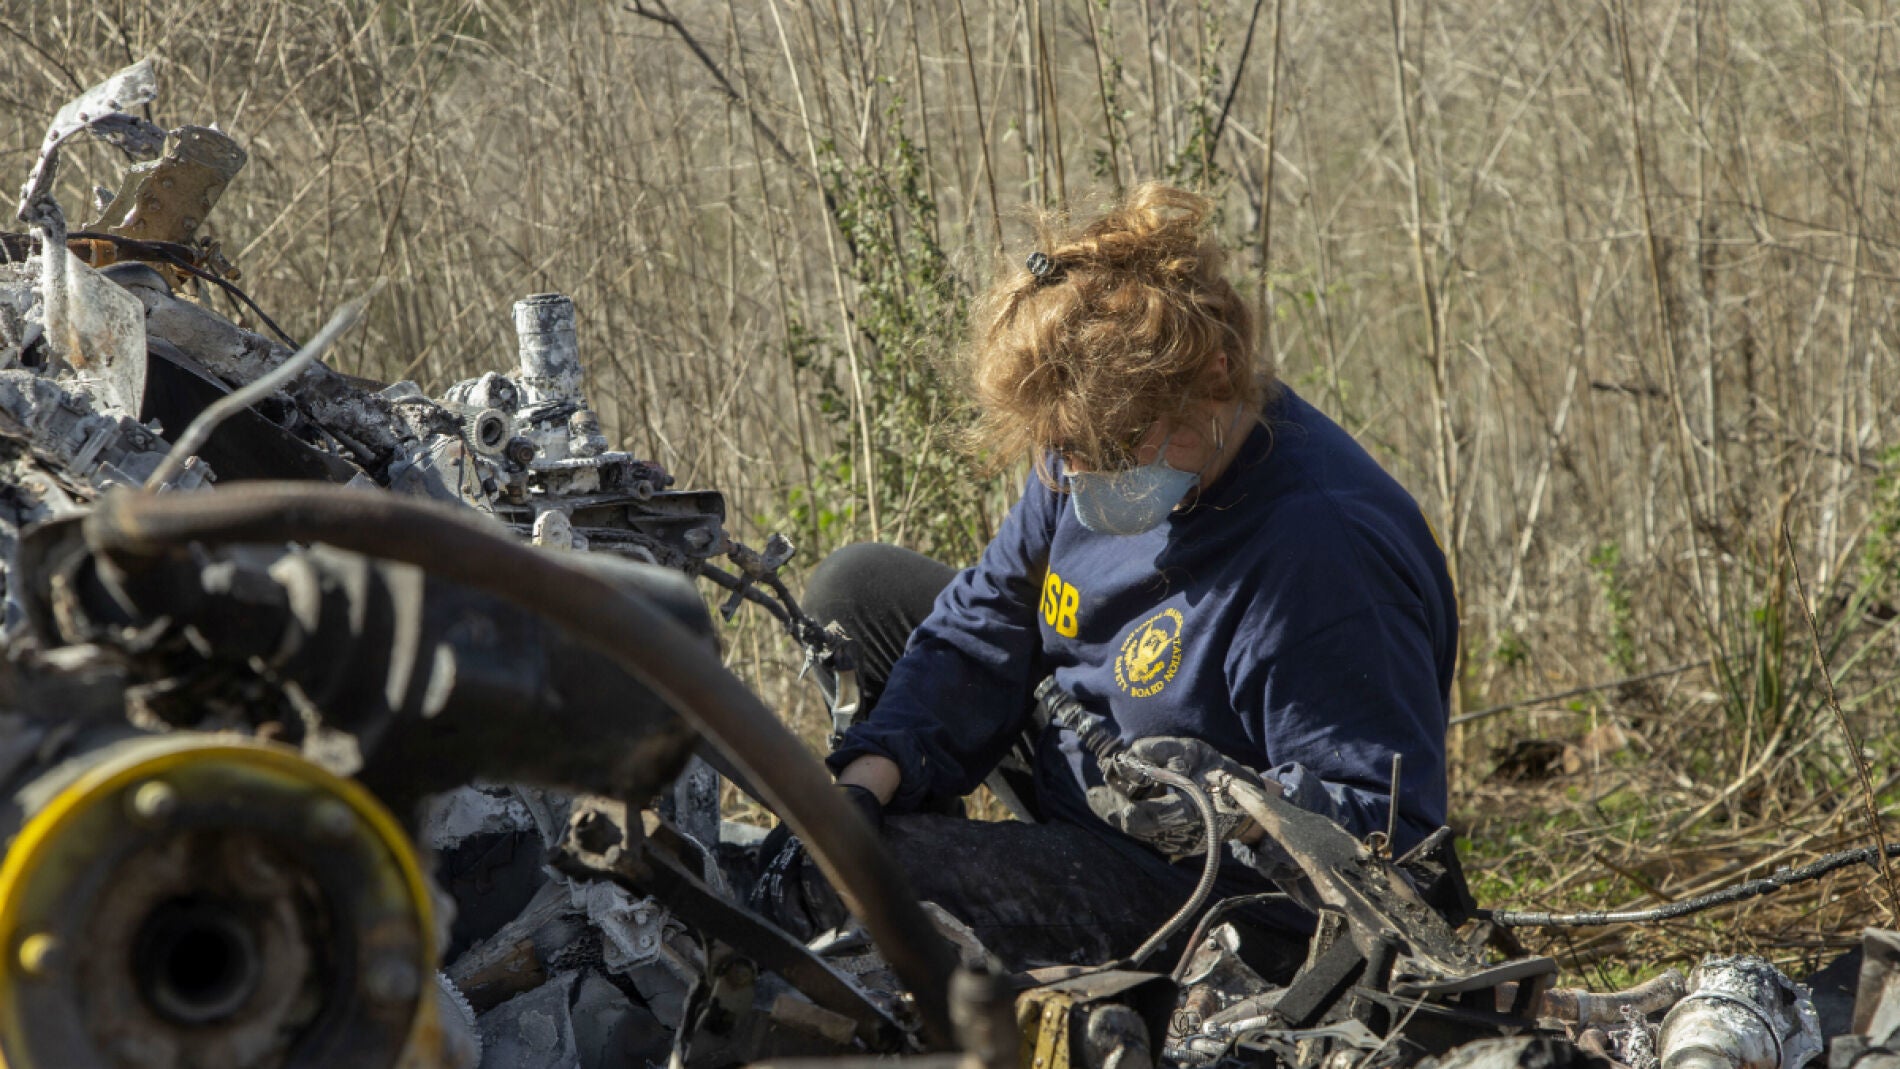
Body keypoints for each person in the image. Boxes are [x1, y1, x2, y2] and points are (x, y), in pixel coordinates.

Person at [749, 182, 1459, 972]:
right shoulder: (1085, 449)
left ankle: (992, 927)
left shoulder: (1323, 554)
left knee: (869, 884)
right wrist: (863, 780)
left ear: (1217, 374)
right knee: (860, 590)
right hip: (1088, 753)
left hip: (1206, 886)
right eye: (1064, 450)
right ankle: (951, 877)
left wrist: (1236, 806)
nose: (1080, 477)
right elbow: (985, 619)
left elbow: (1387, 835)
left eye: (1114, 449)